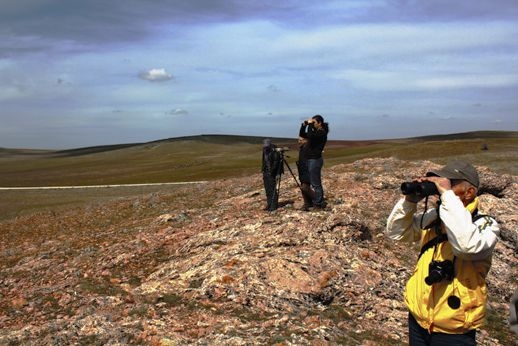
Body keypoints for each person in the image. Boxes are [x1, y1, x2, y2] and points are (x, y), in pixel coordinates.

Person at [386, 160, 499, 345]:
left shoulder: (485, 225)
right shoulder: (436, 216)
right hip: (418, 318)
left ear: (469, 192)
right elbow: (397, 232)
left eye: (449, 183)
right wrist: (409, 202)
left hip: (454, 328)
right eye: (440, 182)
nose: (441, 187)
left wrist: (447, 196)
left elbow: (467, 246)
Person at [298, 115, 329, 209]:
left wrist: (310, 125)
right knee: (312, 182)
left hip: (315, 160)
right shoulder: (316, 133)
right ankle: (314, 202)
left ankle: (318, 204)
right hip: (310, 160)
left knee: (316, 183)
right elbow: (303, 134)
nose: (312, 124)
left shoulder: (322, 133)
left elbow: (310, 135)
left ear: (319, 123)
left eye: (314, 122)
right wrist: (304, 125)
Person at [261, 138, 282, 211]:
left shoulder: (275, 151)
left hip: (272, 173)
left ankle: (273, 206)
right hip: (266, 172)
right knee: (267, 189)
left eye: (266, 146)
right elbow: (264, 160)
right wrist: (263, 170)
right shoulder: (264, 150)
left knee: (272, 189)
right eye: (264, 146)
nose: (265, 147)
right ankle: (269, 204)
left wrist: (273, 172)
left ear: (270, 145)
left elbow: (276, 163)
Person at [296, 136, 314, 210]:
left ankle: (318, 200)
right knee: (303, 188)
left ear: (305, 140)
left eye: (300, 140)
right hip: (303, 172)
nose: (298, 141)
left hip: (307, 171)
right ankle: (307, 204)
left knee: (305, 187)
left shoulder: (307, 148)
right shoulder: (303, 148)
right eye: (298, 140)